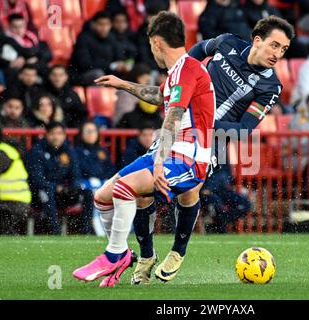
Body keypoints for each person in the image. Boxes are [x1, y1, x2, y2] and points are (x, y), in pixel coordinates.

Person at [72, 11, 216, 287]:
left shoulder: (187, 70)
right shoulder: (178, 72)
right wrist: (123, 84)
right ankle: (125, 255)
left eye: (151, 45)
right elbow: (158, 95)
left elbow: (173, 117)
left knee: (125, 188)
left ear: (157, 43)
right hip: (167, 152)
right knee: (103, 196)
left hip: (189, 158)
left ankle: (115, 255)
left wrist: (159, 164)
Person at [26, 121, 91, 235]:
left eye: (59, 133)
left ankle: (86, 232)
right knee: (47, 191)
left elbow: (76, 174)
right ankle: (55, 232)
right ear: (46, 135)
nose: (56, 137)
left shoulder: (69, 150)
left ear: (64, 135)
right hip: (40, 195)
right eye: (52, 133)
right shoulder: (37, 151)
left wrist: (72, 187)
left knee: (87, 193)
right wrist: (56, 187)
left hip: (63, 193)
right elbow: (37, 179)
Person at [0, 124, 31, 235]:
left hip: (11, 202)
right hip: (9, 201)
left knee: (0, 229)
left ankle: (8, 235)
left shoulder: (0, 153)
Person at [75, 121, 115, 235]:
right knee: (90, 194)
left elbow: (110, 170)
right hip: (86, 186)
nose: (91, 134)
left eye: (93, 131)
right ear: (81, 134)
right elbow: (81, 170)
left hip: (102, 184)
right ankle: (90, 231)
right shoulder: (77, 151)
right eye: (87, 131)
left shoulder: (102, 151)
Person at [69, 11, 126, 85]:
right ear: (93, 24)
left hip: (106, 73)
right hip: (82, 75)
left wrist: (122, 65)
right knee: (98, 75)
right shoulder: (83, 38)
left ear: (111, 25)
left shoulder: (112, 38)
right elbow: (85, 64)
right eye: (100, 24)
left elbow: (119, 57)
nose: (104, 28)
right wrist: (109, 65)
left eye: (107, 24)